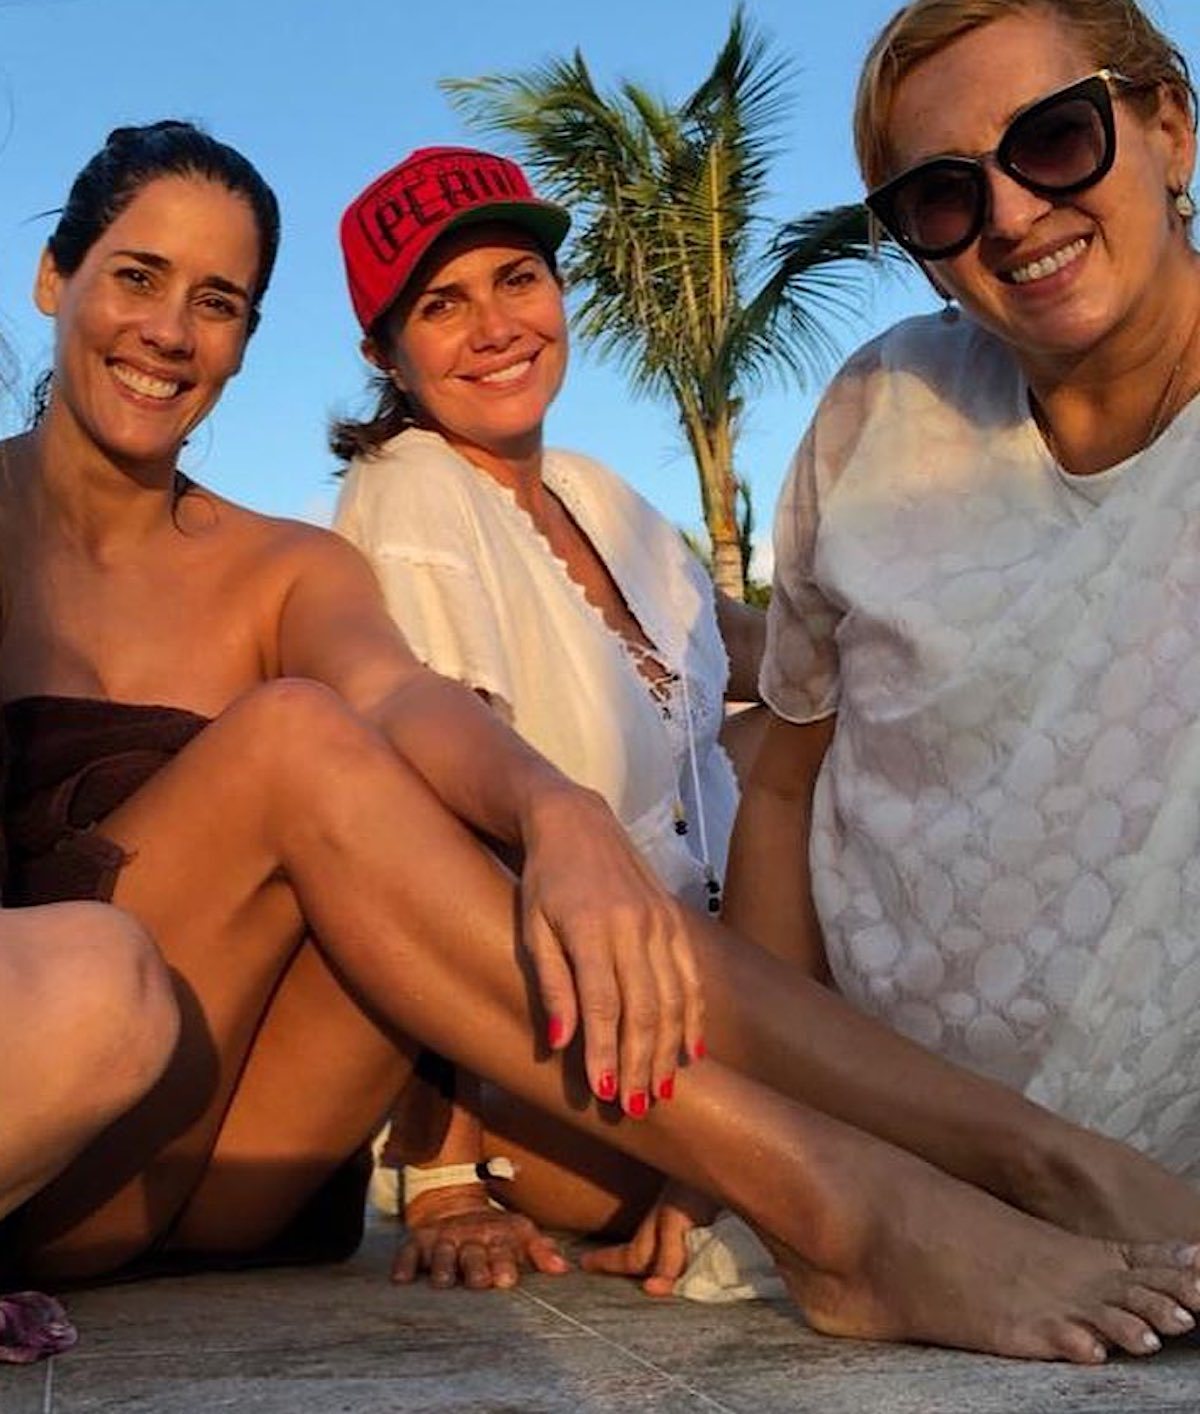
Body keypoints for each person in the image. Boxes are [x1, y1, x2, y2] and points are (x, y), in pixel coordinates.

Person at [5, 118, 1200, 1369]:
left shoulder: (299, 563)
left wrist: (558, 811)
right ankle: (843, 1206)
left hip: (239, 1150)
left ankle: (1039, 1155)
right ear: (53, 277)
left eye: (218, 302)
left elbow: (403, 695)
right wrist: (446, 1170)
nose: (171, 331)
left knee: (661, 774)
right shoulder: (403, 497)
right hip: (49, 1109)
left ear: (250, 337)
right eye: (136, 277)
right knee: (291, 748)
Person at [729, 0, 1200, 1241]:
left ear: (1169, 128)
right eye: (941, 196)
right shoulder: (882, 410)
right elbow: (784, 786)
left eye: (1053, 138)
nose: (1011, 215)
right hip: (903, 1173)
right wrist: (768, 1152)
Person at [331, 144, 763, 1283]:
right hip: (576, 1059)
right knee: (908, 1147)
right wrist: (443, 1175)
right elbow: (420, 837)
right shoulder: (414, 491)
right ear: (385, 353)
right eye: (442, 304)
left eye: (517, 279)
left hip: (723, 999)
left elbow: (751, 655)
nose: (495, 327)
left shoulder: (594, 491)